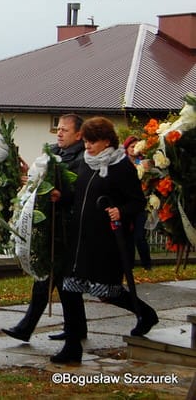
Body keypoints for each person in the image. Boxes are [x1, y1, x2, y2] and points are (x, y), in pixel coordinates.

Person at [51, 116, 158, 364]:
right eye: (86, 141)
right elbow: (78, 197)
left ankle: (145, 313)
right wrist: (61, 197)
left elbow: (137, 202)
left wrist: (121, 210)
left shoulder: (121, 167)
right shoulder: (85, 163)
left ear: (107, 141)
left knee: (107, 292)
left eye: (93, 141)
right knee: (69, 289)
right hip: (79, 239)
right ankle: (72, 346)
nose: (87, 146)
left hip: (104, 242)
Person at [2, 114, 88, 343]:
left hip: (66, 228)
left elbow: (78, 191)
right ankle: (75, 329)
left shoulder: (82, 158)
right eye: (58, 129)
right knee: (58, 280)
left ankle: (27, 327)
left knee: (52, 279)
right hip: (51, 225)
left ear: (79, 134)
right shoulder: (54, 151)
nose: (59, 133)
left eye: (65, 130)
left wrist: (61, 196)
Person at [123, 135, 152, 270]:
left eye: (136, 146)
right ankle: (129, 265)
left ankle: (147, 264)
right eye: (131, 146)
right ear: (127, 148)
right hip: (127, 204)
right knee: (127, 237)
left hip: (141, 204)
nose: (134, 149)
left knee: (139, 236)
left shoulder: (144, 162)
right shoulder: (122, 162)